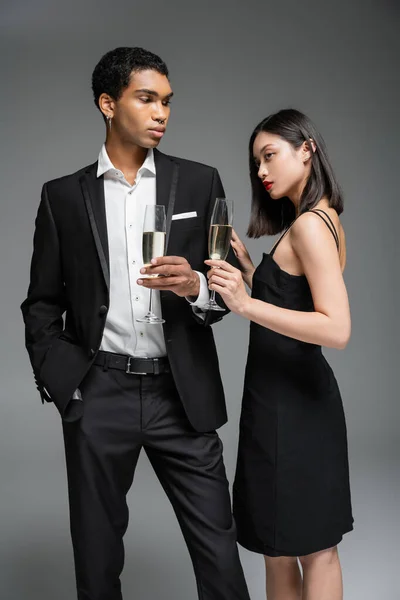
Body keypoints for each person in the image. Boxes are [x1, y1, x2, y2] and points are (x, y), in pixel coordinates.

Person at [20, 46, 250, 600]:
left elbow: (224, 292)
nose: (161, 113)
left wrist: (195, 285)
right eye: (146, 99)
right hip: (99, 392)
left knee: (220, 553)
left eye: (167, 102)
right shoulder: (62, 198)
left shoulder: (200, 182)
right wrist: (66, 385)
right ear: (107, 103)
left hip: (182, 392)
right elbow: (42, 304)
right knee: (97, 559)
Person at [205, 109, 353, 600]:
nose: (262, 171)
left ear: (306, 149)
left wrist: (246, 304)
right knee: (280, 544)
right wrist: (252, 272)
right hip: (279, 401)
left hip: (295, 407)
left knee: (310, 548)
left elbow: (335, 328)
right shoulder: (319, 219)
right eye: (256, 163)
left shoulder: (311, 225)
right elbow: (295, 304)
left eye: (270, 156)